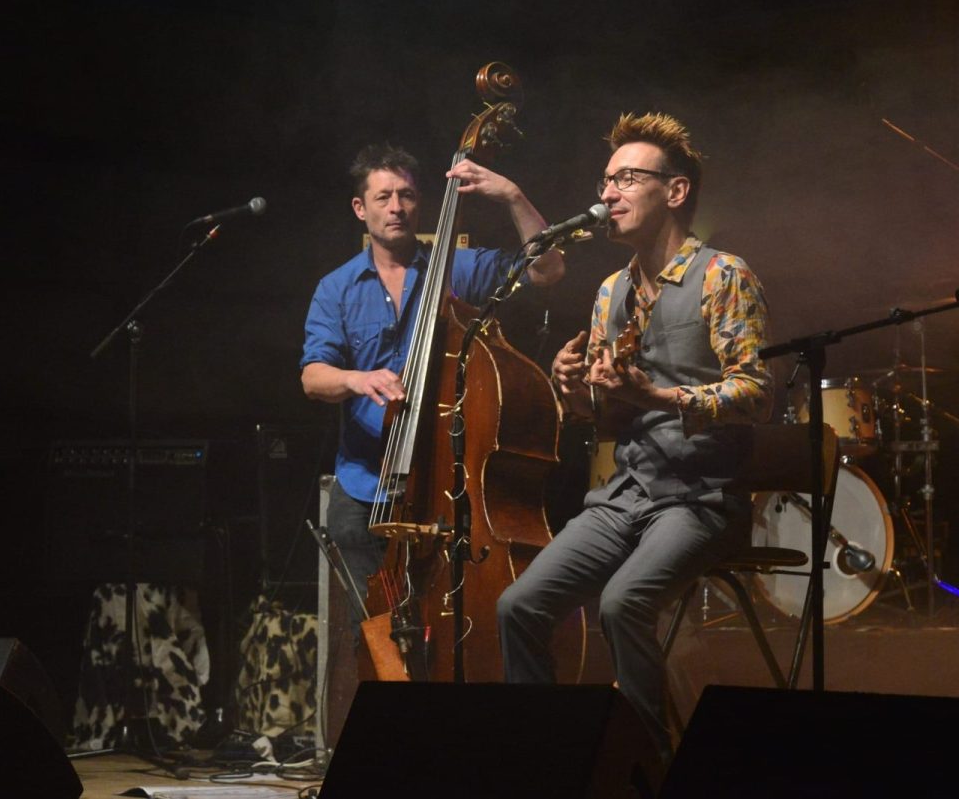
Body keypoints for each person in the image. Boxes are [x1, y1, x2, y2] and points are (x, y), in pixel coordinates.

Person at [496, 113, 774, 763]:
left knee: (623, 604)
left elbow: (758, 394)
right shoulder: (611, 292)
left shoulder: (722, 275)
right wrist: (573, 389)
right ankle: (544, 764)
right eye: (606, 180)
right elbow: (605, 416)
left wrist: (658, 398)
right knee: (519, 605)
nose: (608, 194)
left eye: (626, 178)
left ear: (674, 191)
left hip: (703, 497)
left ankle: (645, 767)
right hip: (627, 494)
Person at [300, 143, 564, 672]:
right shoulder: (336, 288)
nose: (396, 207)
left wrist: (512, 196)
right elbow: (313, 377)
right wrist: (357, 378)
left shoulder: (457, 270)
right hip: (366, 488)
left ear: (421, 203)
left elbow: (548, 271)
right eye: (383, 197)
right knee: (376, 636)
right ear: (360, 209)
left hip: (444, 487)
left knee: (448, 623)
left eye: (407, 195)